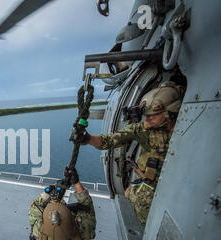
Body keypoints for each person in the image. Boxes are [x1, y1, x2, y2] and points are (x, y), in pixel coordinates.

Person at [71, 81, 185, 224]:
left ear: (171, 113)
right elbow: (111, 140)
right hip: (150, 184)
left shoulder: (186, 130)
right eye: (146, 115)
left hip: (178, 186)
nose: (147, 119)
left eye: (153, 115)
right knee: (137, 198)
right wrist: (87, 138)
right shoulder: (143, 130)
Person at [28, 168, 96, 240]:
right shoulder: (40, 233)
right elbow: (36, 206)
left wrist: (76, 183)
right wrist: (52, 190)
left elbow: (87, 205)